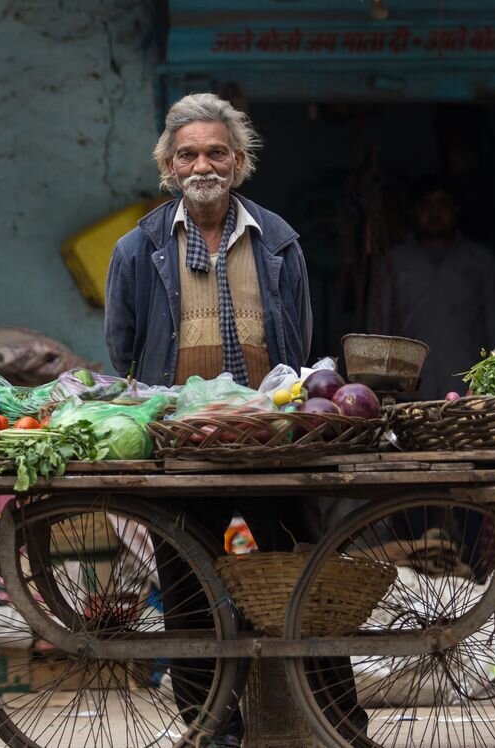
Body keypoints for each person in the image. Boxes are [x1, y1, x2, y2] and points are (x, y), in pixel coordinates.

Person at [104, 93, 363, 746]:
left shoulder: (279, 242)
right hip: (182, 448)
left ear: (240, 161)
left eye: (216, 151)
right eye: (187, 153)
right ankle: (213, 731)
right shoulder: (139, 249)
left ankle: (340, 723)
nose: (202, 164)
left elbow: (297, 348)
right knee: (189, 597)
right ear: (167, 166)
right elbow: (122, 345)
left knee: (305, 582)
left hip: (268, 443)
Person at [369, 175, 495, 399]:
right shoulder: (394, 262)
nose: (434, 212)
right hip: (409, 391)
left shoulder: (480, 261)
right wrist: (377, 389)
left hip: (469, 389)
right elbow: (378, 329)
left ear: (456, 209)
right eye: (426, 204)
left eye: (442, 203)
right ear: (412, 212)